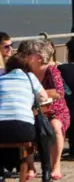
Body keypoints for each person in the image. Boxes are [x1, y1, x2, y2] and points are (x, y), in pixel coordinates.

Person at [19, 40, 70, 180]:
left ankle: (56, 166)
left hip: (55, 110)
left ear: (40, 57)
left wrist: (38, 92)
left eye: (28, 54)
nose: (24, 56)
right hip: (33, 110)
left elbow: (59, 93)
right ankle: (30, 167)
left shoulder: (51, 70)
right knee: (25, 127)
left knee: (55, 127)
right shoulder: (25, 71)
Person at [0, 53, 52, 182]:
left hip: (1, 127)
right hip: (23, 129)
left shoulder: (1, 79)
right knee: (42, 132)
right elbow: (44, 97)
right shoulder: (30, 77)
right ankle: (46, 171)